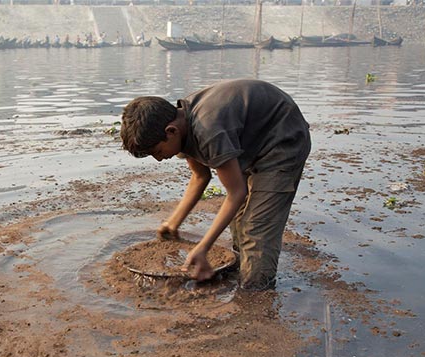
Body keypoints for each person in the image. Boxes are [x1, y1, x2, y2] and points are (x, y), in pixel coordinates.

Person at [120, 79, 311, 290]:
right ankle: (244, 268)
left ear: (171, 131)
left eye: (157, 152)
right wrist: (173, 222)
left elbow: (236, 193)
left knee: (256, 229)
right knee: (238, 220)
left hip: (283, 141)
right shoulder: (182, 125)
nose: (158, 159)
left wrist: (202, 247)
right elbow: (200, 177)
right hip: (250, 140)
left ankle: (256, 293)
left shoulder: (208, 130)